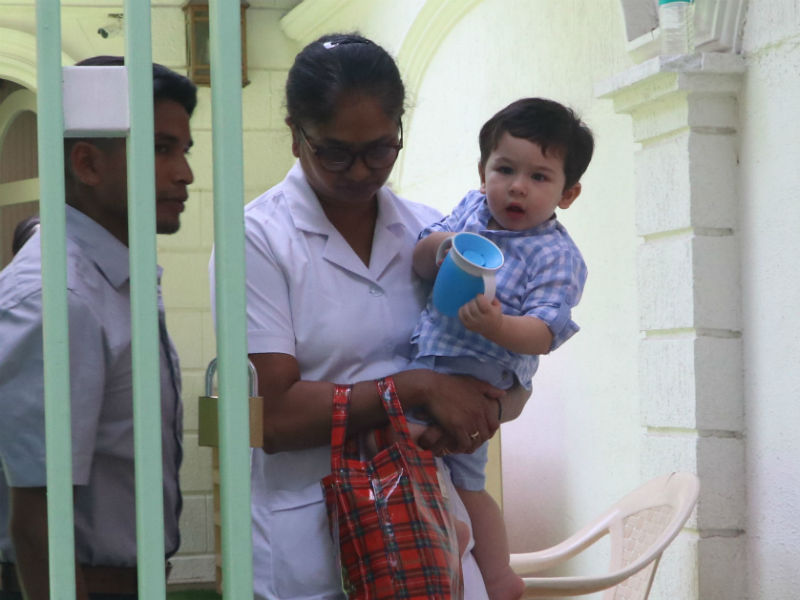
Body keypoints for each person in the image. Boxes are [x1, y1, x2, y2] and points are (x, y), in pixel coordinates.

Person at [209, 33, 530, 600]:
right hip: (313, 541)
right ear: (295, 136)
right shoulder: (256, 242)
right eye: (335, 152)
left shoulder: (430, 233)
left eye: (380, 149)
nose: (360, 172)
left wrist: (491, 403)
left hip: (431, 525)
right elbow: (276, 417)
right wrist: (417, 388)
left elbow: (490, 362)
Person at [0, 55, 195, 600]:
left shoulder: (108, 282)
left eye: (184, 150)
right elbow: (36, 525)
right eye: (160, 149)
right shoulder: (60, 298)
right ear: (87, 163)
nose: (185, 173)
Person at [409, 97, 594, 600]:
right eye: (505, 169)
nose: (517, 186)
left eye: (539, 177)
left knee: (462, 477)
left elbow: (544, 331)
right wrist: (443, 247)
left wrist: (497, 325)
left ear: (568, 193)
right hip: (430, 357)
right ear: (482, 170)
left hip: (481, 377)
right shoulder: (472, 209)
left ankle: (497, 577)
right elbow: (422, 252)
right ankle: (449, 545)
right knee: (433, 467)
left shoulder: (556, 254)